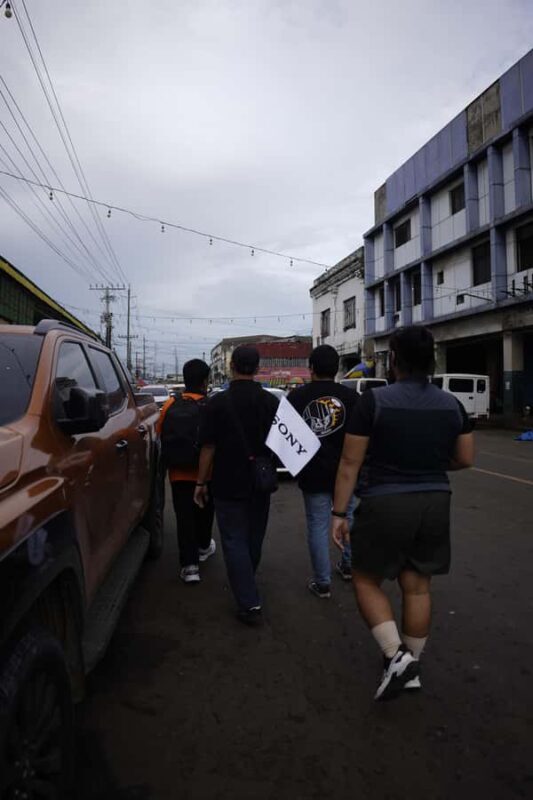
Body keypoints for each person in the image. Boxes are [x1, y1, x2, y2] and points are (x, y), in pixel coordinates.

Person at [331, 326, 474, 701]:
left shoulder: (374, 402)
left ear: (394, 359)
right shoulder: (452, 405)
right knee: (418, 585)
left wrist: (338, 512)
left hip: (385, 501)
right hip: (434, 500)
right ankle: (409, 666)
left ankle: (397, 657)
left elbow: (350, 462)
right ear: (430, 361)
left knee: (365, 579)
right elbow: (465, 458)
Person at [194, 345, 278, 625]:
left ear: (231, 366)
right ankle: (247, 584)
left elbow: (207, 447)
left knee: (233, 540)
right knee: (254, 537)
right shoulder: (271, 402)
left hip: (226, 481)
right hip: (260, 481)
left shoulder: (216, 403)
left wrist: (200, 482)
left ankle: (249, 601)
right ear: (257, 368)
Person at [288, 345, 358, 598]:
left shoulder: (296, 397)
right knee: (349, 518)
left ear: (311, 368)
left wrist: (297, 467)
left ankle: (323, 582)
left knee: (317, 525)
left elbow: (283, 440)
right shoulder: (352, 398)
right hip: (346, 473)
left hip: (313, 472)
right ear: (337, 368)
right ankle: (349, 566)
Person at [157, 359, 216, 584]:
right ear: (205, 381)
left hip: (178, 473)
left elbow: (160, 435)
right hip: (207, 474)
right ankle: (203, 547)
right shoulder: (210, 406)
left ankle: (189, 567)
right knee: (205, 513)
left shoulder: (170, 405)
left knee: (184, 518)